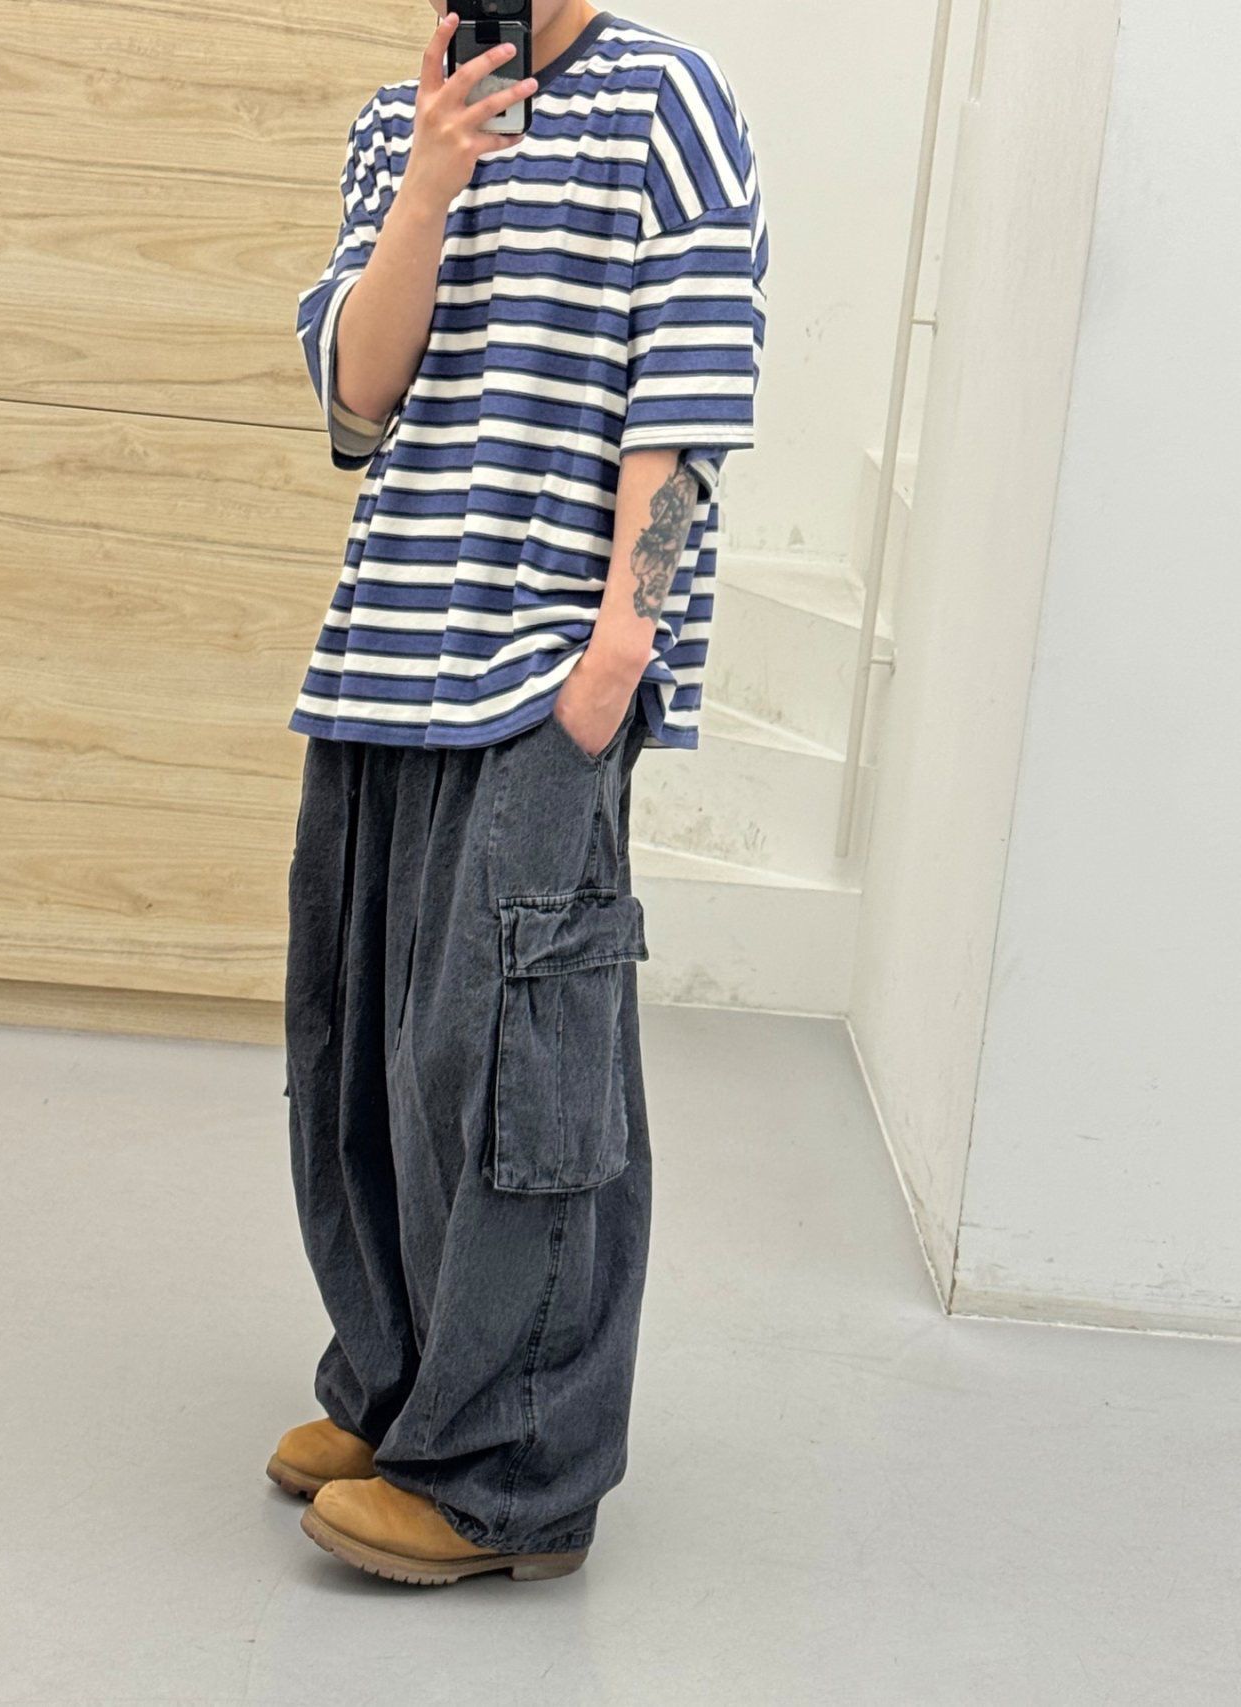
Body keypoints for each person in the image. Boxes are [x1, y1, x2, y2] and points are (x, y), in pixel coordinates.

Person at [270, 1, 768, 1586]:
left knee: (516, 1081)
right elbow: (358, 399)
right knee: (365, 1058)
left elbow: (688, 395)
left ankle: (512, 1477)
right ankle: (401, 1390)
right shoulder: (399, 123)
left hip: (547, 670)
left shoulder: (670, 103)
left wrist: (620, 649)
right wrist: (428, 180)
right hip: (381, 661)